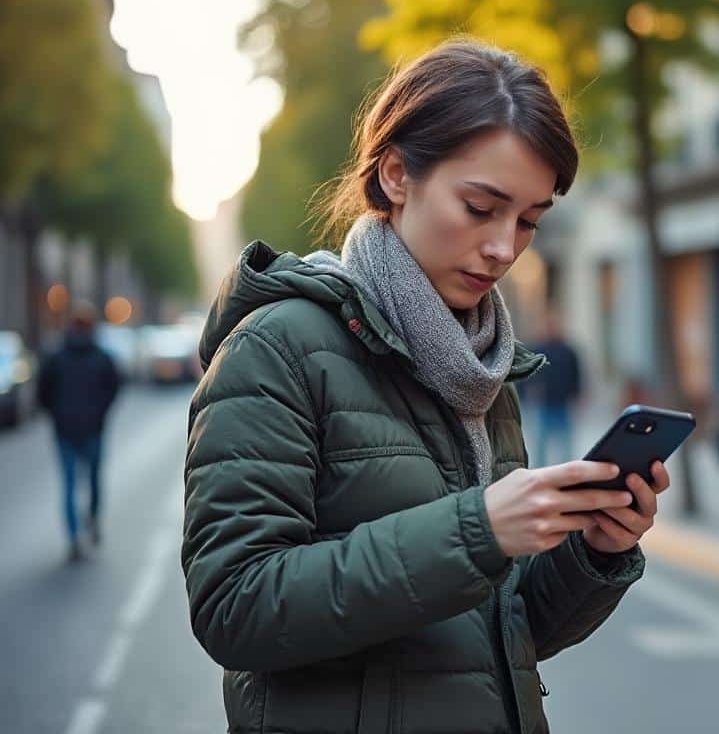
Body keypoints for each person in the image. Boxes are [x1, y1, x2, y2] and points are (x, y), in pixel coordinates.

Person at [181, 41, 670, 734]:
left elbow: (500, 638)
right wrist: (478, 531)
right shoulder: (276, 347)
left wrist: (595, 550)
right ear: (396, 174)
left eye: (529, 221)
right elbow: (236, 607)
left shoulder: (484, 369)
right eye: (480, 207)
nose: (504, 247)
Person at [38, 301, 121, 560]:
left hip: (65, 431)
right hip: (93, 429)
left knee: (70, 485)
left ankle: (74, 536)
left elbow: (43, 393)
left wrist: (57, 415)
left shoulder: (56, 357)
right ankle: (92, 519)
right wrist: (100, 413)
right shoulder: (102, 357)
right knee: (93, 480)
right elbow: (114, 388)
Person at [525, 309, 583, 466]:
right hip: (544, 402)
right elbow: (528, 373)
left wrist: (578, 394)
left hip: (563, 401)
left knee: (565, 441)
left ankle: (567, 468)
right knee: (541, 442)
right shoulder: (538, 348)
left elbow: (576, 373)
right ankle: (540, 469)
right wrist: (530, 390)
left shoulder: (569, 350)